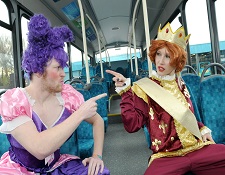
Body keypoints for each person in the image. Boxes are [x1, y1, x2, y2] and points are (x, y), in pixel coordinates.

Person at [106, 23, 225, 175]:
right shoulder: (143, 88)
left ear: (177, 61)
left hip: (196, 149)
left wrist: (201, 129)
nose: (160, 61)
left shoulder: (181, 84)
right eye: (158, 54)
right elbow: (132, 126)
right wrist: (125, 92)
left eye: (167, 56)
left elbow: (188, 116)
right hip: (167, 156)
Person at [0, 14, 110, 175]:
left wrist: (96, 156)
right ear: (38, 70)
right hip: (20, 170)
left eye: (63, 68)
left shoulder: (67, 97)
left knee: (101, 172)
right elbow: (40, 149)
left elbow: (98, 121)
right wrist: (79, 114)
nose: (63, 74)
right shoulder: (15, 102)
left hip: (56, 165)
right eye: (57, 68)